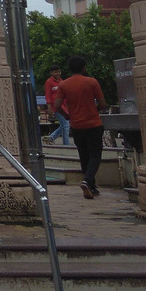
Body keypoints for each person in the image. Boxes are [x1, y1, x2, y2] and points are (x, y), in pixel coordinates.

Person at [53, 55, 108, 199]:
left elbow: (57, 106)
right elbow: (103, 104)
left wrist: (66, 115)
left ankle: (91, 187)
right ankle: (88, 181)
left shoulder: (64, 85)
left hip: (77, 125)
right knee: (95, 154)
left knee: (83, 155)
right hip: (93, 123)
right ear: (84, 68)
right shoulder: (92, 82)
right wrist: (94, 109)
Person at [43, 67, 70, 145]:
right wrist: (49, 107)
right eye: (55, 72)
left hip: (64, 106)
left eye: (59, 71)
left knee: (64, 125)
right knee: (66, 125)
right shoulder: (49, 82)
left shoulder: (62, 82)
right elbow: (48, 95)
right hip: (56, 107)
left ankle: (51, 137)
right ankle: (66, 144)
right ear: (51, 73)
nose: (57, 73)